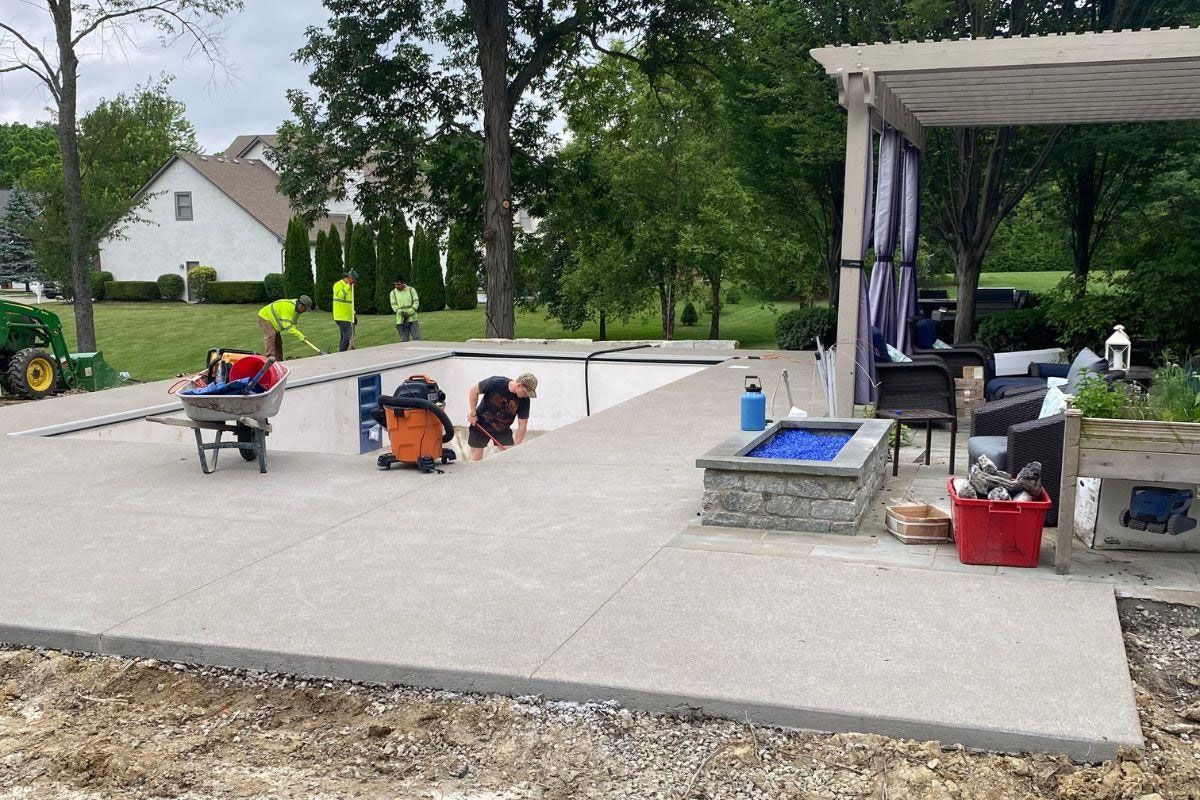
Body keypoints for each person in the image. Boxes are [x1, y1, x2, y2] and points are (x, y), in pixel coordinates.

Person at [466, 373, 537, 461]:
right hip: (480, 424)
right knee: (476, 459)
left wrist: (516, 447)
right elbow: (474, 391)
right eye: (526, 392)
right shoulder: (495, 383)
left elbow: (522, 423)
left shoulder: (524, 400)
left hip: (502, 429)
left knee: (509, 458)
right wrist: (473, 414)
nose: (527, 395)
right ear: (519, 385)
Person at [257, 295, 314, 360]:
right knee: (271, 335)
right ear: (300, 305)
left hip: (273, 321)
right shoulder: (289, 307)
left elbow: (293, 324)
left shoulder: (297, 311)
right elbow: (287, 325)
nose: (304, 311)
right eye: (305, 309)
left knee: (278, 342)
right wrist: (299, 335)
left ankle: (279, 360)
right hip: (265, 317)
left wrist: (301, 336)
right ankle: (269, 358)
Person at [331, 269, 358, 352]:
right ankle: (342, 354)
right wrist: (348, 285)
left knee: (344, 336)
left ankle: (341, 353)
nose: (355, 283)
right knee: (348, 335)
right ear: (350, 278)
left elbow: (350, 303)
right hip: (341, 316)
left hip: (347, 316)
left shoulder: (350, 287)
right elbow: (341, 295)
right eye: (354, 280)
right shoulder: (338, 285)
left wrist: (353, 314)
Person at [389, 277, 420, 342]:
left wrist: (409, 312)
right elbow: (393, 305)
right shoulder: (393, 293)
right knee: (404, 340)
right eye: (395, 284)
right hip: (401, 319)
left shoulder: (411, 290)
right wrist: (401, 312)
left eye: (398, 284)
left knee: (417, 338)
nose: (396, 286)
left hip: (413, 319)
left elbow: (416, 302)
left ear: (403, 283)